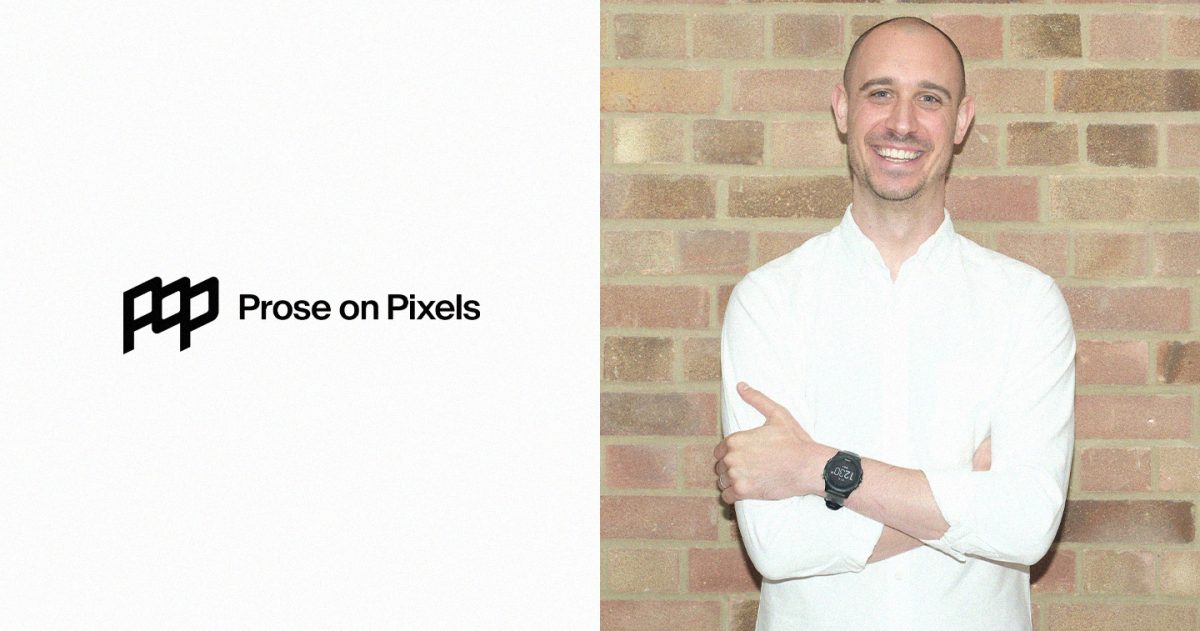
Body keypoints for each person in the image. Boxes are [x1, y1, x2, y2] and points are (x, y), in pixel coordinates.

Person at [712, 17, 1075, 631]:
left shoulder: (1026, 303)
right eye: (880, 93)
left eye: (929, 98)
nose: (902, 122)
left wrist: (814, 468)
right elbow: (777, 544)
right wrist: (965, 492)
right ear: (842, 109)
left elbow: (1027, 525)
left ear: (961, 121)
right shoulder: (769, 300)